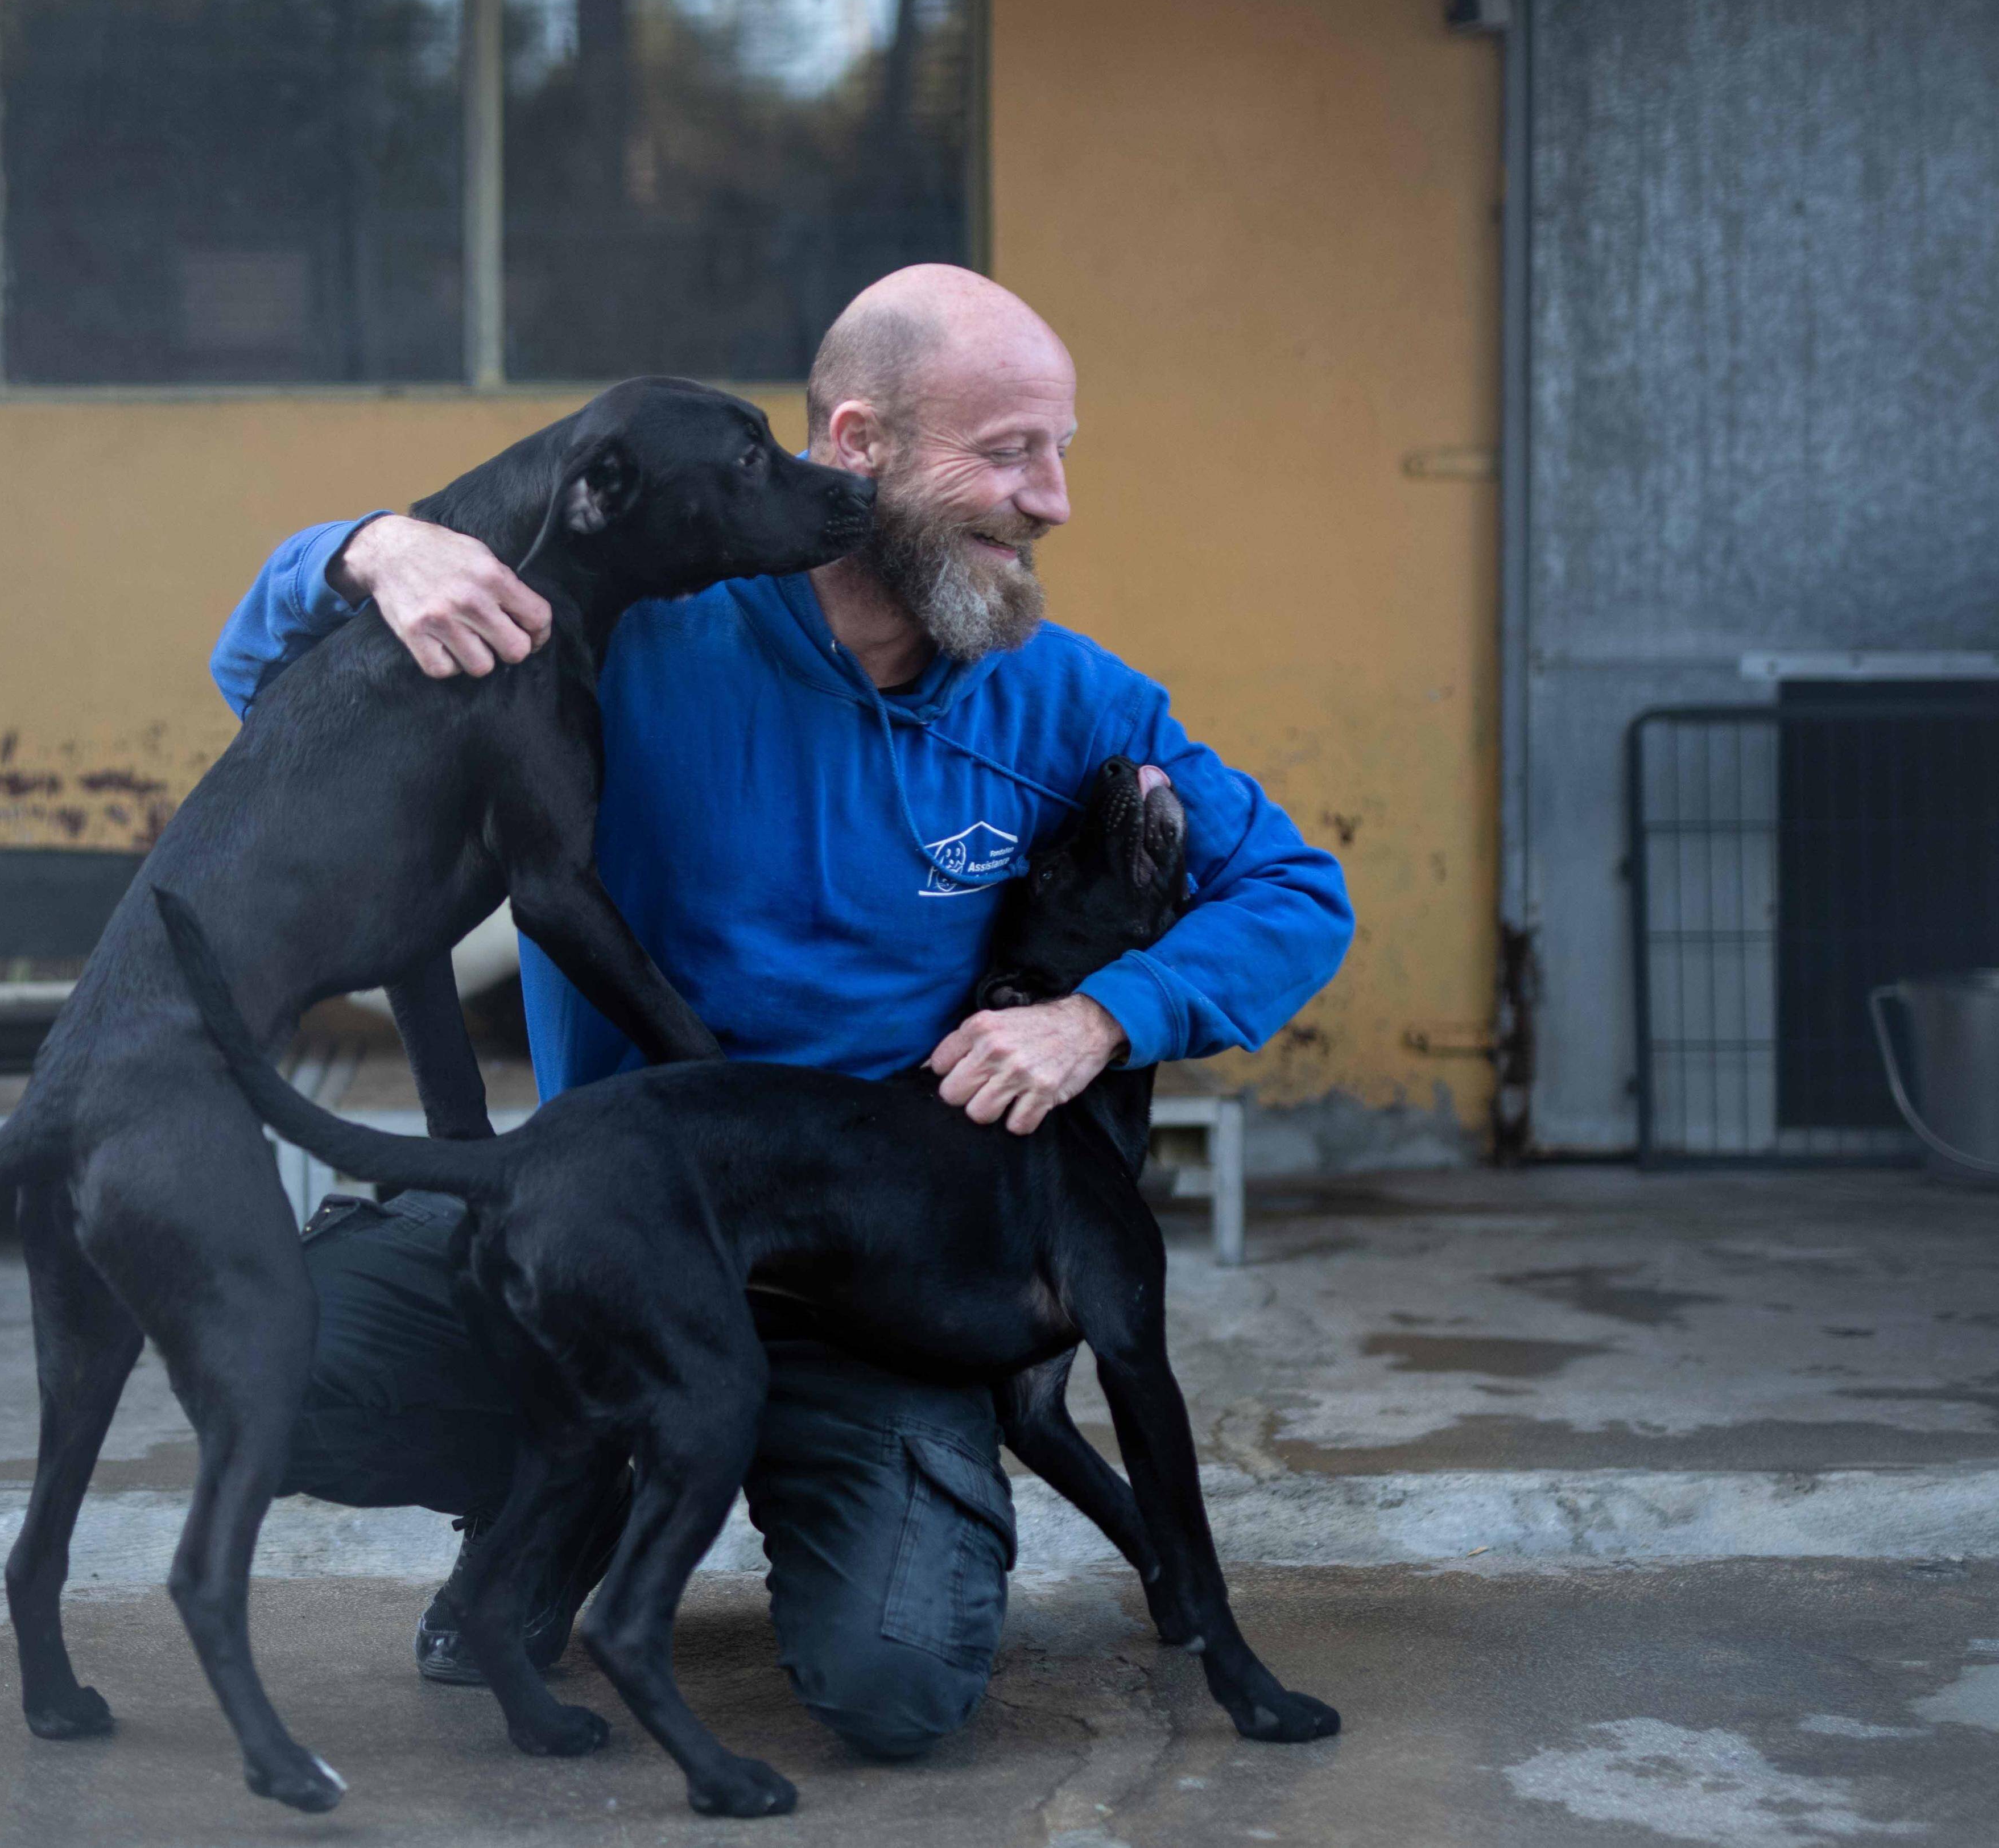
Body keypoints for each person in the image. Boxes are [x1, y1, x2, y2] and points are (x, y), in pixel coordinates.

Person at [206, 266, 1352, 1760]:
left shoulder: (1062, 700)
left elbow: (1294, 893)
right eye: (1009, 452)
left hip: (879, 1281)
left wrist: (1100, 1019)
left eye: (1064, 451)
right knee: (264, 1364)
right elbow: (265, 683)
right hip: (622, 1228)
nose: (1057, 499)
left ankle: (686, 1477)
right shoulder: (631, 638)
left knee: (894, 1686)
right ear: (856, 441)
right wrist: (358, 553)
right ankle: (571, 1495)